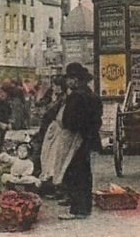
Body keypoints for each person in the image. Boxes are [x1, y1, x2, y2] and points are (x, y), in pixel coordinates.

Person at [58, 63, 102, 221]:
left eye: (69, 79)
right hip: (89, 137)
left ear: (75, 80)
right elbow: (97, 120)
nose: (67, 82)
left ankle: (77, 209)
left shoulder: (76, 97)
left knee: (74, 173)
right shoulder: (92, 95)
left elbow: (69, 121)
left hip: (76, 138)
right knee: (85, 173)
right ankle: (84, 207)